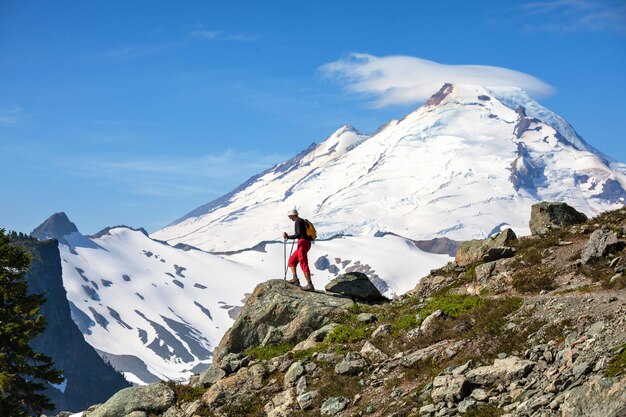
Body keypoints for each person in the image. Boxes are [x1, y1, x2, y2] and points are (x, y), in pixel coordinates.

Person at [283, 209, 314, 291]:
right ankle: (295, 279)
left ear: (293, 215)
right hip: (305, 243)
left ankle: (310, 285)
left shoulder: (298, 221)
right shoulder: (302, 221)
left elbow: (299, 234)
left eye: (290, 216)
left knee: (303, 262)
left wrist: (288, 237)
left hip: (303, 243)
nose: (290, 218)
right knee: (292, 260)